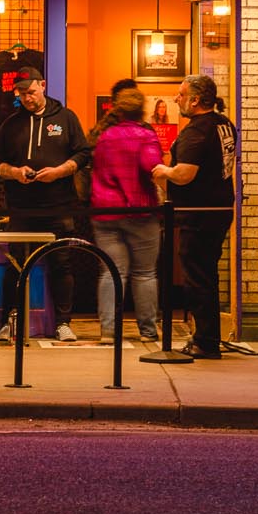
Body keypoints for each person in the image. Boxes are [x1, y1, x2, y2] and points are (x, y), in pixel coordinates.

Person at [0, 70, 87, 343]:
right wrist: (14, 172)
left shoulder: (66, 118)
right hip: (21, 207)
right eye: (21, 93)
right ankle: (9, 321)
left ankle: (63, 324)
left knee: (62, 264)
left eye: (30, 92)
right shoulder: (10, 124)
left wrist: (59, 171)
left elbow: (83, 154)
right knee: (16, 265)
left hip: (59, 205)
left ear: (43, 85)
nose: (26, 98)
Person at [150, 74, 236, 360]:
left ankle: (205, 342)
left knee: (197, 277)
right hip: (219, 210)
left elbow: (185, 174)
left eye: (181, 94)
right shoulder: (225, 124)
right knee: (207, 275)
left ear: (196, 99)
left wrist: (163, 172)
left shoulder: (196, 130)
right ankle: (207, 337)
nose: (177, 99)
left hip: (199, 214)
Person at [89, 85, 164, 345]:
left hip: (105, 212)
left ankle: (108, 332)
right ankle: (148, 331)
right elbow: (150, 166)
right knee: (144, 273)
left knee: (111, 272)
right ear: (141, 110)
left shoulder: (103, 135)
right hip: (140, 211)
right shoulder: (145, 135)